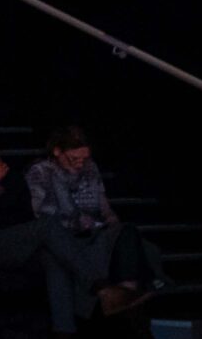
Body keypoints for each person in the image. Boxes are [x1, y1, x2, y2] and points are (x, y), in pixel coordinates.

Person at [27, 123, 168, 323]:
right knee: (124, 243)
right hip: (65, 237)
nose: (80, 164)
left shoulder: (90, 168)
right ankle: (125, 297)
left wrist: (111, 222)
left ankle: (128, 295)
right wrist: (80, 222)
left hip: (95, 231)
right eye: (74, 159)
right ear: (58, 151)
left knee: (135, 240)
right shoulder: (42, 172)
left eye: (84, 158)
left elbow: (103, 206)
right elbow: (43, 214)